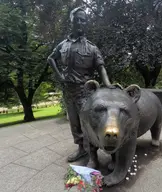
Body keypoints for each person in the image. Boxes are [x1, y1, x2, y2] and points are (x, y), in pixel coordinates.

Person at [47, 6, 112, 162]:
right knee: (74, 125)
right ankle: (81, 149)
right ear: (72, 22)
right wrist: (60, 75)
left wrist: (108, 85)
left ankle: (92, 154)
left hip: (85, 92)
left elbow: (101, 67)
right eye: (78, 20)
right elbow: (50, 58)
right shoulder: (63, 45)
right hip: (68, 91)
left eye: (84, 20)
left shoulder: (91, 47)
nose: (81, 23)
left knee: (87, 125)